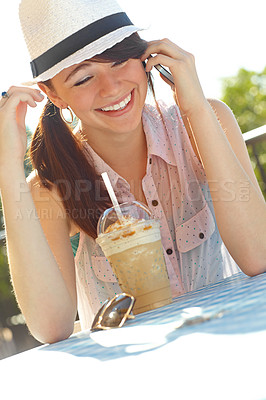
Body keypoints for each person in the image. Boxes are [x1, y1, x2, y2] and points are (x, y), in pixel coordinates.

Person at [0, 0, 265, 344]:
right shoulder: (51, 188)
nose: (111, 88)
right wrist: (8, 168)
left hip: (234, 338)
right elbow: (51, 326)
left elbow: (259, 255)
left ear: (146, 58)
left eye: (120, 60)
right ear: (53, 94)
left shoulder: (206, 124)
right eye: (83, 79)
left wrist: (196, 106)